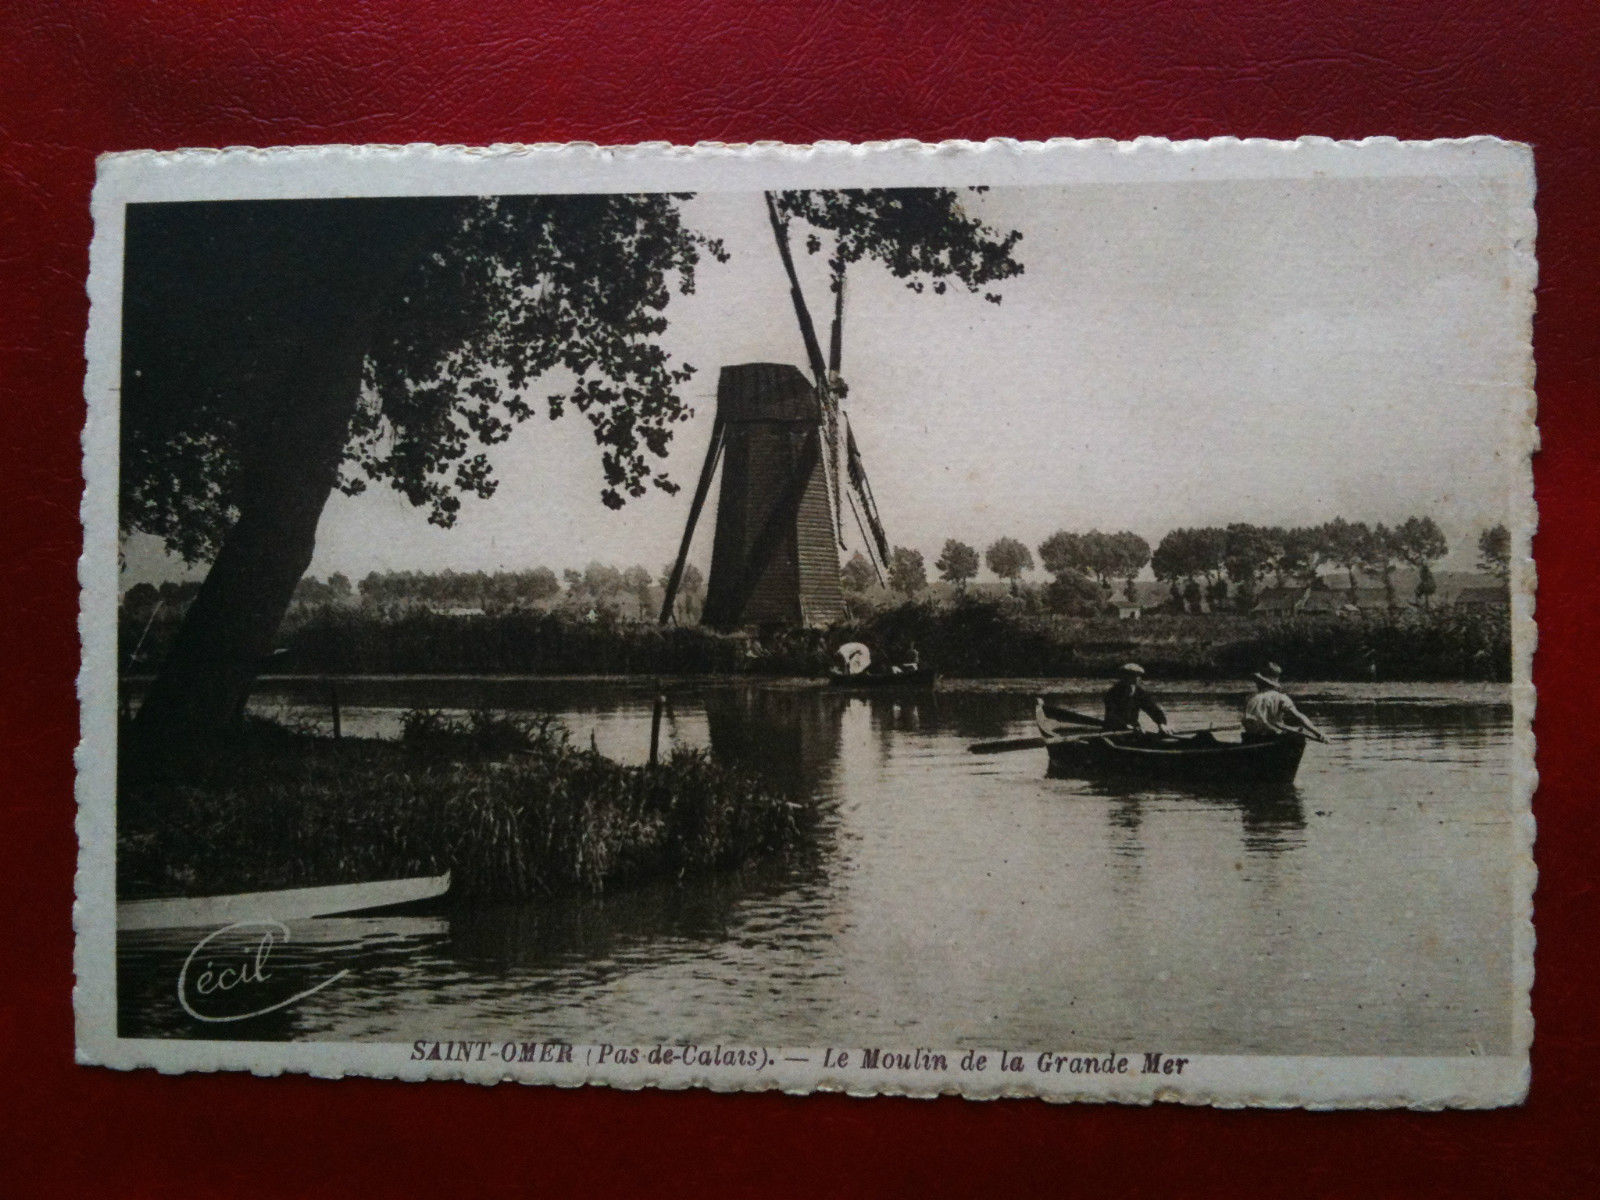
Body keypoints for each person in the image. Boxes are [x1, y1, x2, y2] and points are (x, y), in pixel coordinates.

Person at [1242, 663, 1326, 741]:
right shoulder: (1281, 698)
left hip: (1249, 738)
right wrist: (1319, 734)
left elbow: (1251, 722)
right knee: (1297, 737)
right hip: (1272, 738)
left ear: (1259, 682)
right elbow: (1299, 717)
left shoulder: (1249, 698)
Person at [1102, 663, 1172, 734]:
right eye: (1132, 675)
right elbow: (1112, 715)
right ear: (1123, 677)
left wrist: (1161, 724)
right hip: (1114, 730)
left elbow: (1153, 709)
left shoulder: (1140, 693)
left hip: (1134, 729)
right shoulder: (1112, 693)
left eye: (1137, 676)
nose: (1136, 678)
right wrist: (1127, 726)